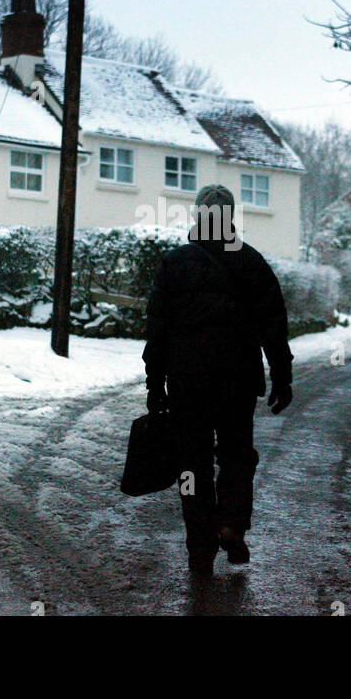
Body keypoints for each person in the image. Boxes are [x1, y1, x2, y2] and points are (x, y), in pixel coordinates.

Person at [142, 184, 294, 576]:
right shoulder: (251, 263)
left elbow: (158, 329)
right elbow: (273, 325)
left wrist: (154, 383)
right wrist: (281, 375)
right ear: (230, 218)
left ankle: (199, 546)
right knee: (236, 457)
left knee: (191, 465)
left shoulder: (175, 263)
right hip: (237, 380)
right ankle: (231, 524)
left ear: (196, 216)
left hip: (188, 380)